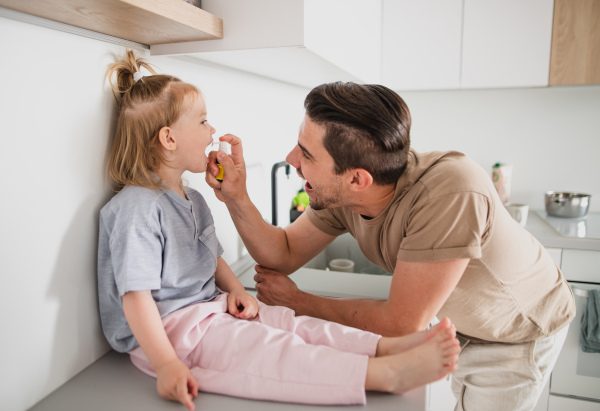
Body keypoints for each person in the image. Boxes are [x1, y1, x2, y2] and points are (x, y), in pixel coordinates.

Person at [97, 51, 461, 411]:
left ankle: (383, 348)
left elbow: (212, 259)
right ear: (169, 139)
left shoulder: (191, 197)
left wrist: (237, 290)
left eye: (307, 154)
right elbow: (136, 297)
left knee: (291, 324)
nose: (212, 131)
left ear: (357, 180)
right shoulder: (136, 208)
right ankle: (382, 373)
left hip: (209, 310)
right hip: (171, 332)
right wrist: (166, 365)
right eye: (203, 122)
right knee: (276, 352)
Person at [206, 82, 576, 411]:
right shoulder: (348, 196)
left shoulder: (449, 193)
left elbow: (401, 324)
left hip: (516, 332)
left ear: (357, 179)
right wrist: (236, 197)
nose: (292, 161)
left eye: (307, 154)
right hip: (462, 323)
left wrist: (299, 302)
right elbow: (282, 253)